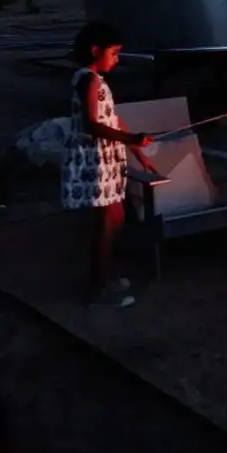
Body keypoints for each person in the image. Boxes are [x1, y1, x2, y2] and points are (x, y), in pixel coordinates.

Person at [62, 21, 156, 308]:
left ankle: (105, 275)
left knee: (115, 217)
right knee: (106, 222)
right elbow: (92, 124)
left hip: (108, 160)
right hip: (95, 162)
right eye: (113, 53)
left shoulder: (97, 80)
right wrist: (130, 138)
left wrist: (135, 148)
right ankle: (98, 288)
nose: (116, 59)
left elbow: (111, 118)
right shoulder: (88, 80)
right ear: (95, 51)